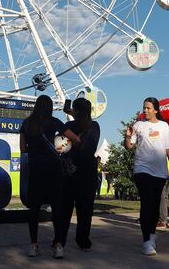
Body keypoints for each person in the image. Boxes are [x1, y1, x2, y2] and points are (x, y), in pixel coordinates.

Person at [20, 94, 80, 259]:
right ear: (50, 107)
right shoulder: (54, 122)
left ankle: (33, 245)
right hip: (54, 170)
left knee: (33, 208)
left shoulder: (26, 124)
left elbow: (23, 149)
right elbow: (75, 139)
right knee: (57, 208)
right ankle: (59, 246)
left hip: (36, 169)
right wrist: (61, 148)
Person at [124, 97, 169, 256]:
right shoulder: (138, 125)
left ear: (156, 110)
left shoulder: (164, 126)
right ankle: (146, 241)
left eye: (148, 108)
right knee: (146, 203)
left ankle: (152, 235)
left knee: (155, 206)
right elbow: (129, 146)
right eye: (144, 108)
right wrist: (128, 136)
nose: (145, 110)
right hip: (142, 169)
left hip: (160, 171)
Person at [59, 97, 100, 251]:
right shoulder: (94, 126)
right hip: (87, 171)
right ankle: (83, 240)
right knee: (85, 209)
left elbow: (60, 148)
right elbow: (90, 149)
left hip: (70, 171)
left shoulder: (68, 126)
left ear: (75, 111)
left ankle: (60, 239)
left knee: (65, 208)